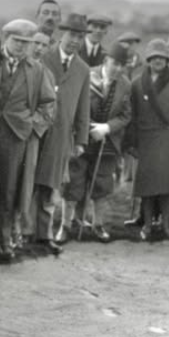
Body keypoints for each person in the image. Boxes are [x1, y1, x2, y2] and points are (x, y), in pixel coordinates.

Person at [0, 19, 56, 261]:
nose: (21, 46)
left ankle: (3, 240)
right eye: (17, 41)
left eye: (26, 42)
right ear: (6, 38)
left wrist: (30, 127)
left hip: (16, 137)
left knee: (10, 190)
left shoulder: (36, 70)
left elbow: (48, 105)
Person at [33, 13, 91, 254]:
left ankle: (43, 235)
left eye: (80, 37)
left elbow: (83, 107)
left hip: (60, 137)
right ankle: (19, 233)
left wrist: (81, 140)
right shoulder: (43, 57)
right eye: (71, 35)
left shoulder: (83, 69)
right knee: (27, 183)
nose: (75, 41)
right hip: (35, 132)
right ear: (61, 34)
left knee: (50, 186)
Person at [64, 40, 133, 242]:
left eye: (122, 65)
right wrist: (88, 127)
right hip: (81, 139)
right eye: (115, 64)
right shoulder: (85, 75)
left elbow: (126, 115)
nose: (118, 69)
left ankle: (98, 225)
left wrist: (107, 128)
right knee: (74, 182)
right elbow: (74, 106)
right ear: (105, 61)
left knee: (102, 184)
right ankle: (66, 225)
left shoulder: (125, 85)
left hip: (107, 143)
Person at [130, 39, 169, 241]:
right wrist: (131, 142)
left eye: (162, 57)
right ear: (148, 60)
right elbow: (132, 115)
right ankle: (148, 224)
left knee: (168, 184)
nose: (158, 61)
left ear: (167, 60)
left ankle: (166, 224)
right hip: (146, 138)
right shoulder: (137, 83)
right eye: (154, 57)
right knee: (147, 185)